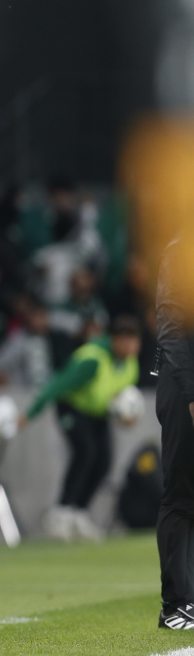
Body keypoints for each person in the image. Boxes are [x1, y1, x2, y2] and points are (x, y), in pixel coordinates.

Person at [23, 315, 141, 542]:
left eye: (134, 342)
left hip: (98, 413)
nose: (131, 347)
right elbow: (58, 383)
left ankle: (79, 512)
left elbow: (119, 398)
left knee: (104, 460)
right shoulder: (92, 360)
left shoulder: (130, 363)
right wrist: (30, 413)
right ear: (114, 340)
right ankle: (60, 512)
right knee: (85, 452)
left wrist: (127, 417)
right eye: (125, 341)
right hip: (72, 408)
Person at [154, 238, 194, 629]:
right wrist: (191, 392)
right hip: (184, 383)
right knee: (182, 491)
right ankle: (177, 605)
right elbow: (170, 324)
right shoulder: (182, 250)